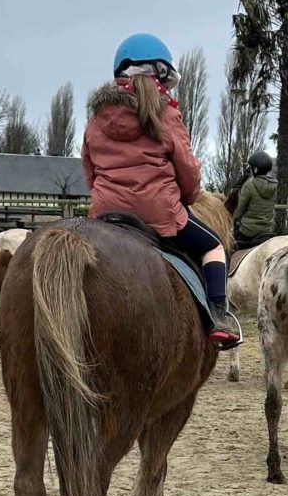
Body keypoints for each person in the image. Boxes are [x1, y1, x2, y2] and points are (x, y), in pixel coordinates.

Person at [82, 33, 236, 343]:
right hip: (160, 213)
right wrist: (189, 197)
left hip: (105, 213)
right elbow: (188, 172)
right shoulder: (165, 113)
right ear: (161, 75)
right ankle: (219, 315)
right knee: (212, 246)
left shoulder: (96, 119)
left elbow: (90, 169)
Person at [232, 149, 277, 252]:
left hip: (248, 231)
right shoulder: (274, 186)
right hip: (267, 229)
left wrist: (233, 220)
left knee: (228, 244)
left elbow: (240, 209)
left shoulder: (250, 185)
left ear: (255, 169)